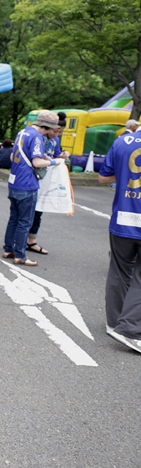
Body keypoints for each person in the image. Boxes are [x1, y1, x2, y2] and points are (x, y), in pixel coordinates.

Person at [2, 111, 65, 266]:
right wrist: (54, 162)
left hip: (14, 181)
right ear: (47, 126)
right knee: (25, 221)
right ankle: (20, 255)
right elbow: (36, 163)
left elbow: (12, 157)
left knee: (14, 218)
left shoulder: (22, 132)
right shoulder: (37, 137)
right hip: (27, 183)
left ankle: (8, 249)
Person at [99, 127, 141, 353]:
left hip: (123, 217)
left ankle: (114, 323)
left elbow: (103, 177)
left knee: (119, 270)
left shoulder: (122, 142)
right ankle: (131, 328)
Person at [27, 111, 71, 255]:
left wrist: (63, 154)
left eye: (60, 132)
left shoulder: (55, 140)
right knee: (27, 210)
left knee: (39, 209)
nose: (57, 134)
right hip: (34, 176)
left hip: (46, 178)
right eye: (55, 131)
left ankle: (31, 240)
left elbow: (56, 154)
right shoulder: (38, 137)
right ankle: (20, 240)